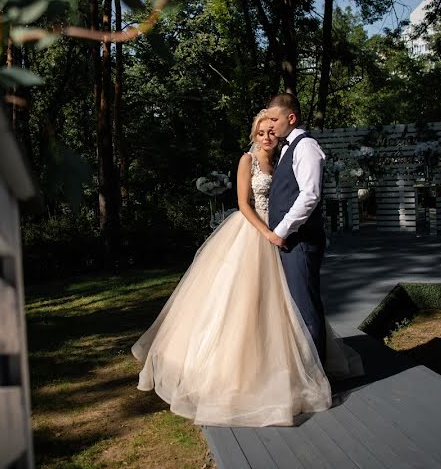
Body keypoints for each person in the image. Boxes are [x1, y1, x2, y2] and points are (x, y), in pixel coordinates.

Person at [131, 110, 362, 427]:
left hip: (278, 234)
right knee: (239, 301)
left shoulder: (282, 157)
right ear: (254, 133)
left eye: (271, 131)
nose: (267, 136)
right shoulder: (247, 160)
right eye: (262, 132)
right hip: (252, 233)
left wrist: (279, 231)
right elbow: (243, 203)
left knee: (277, 303)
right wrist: (267, 232)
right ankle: (232, 371)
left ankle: (280, 364)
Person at [264, 93, 330, 360]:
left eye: (274, 118)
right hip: (292, 240)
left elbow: (310, 195)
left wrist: (281, 231)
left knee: (305, 307)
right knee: (297, 305)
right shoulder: (288, 147)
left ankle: (318, 376)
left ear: (291, 118)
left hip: (300, 240)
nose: (270, 124)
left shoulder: (306, 146)